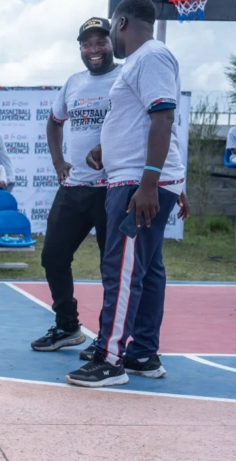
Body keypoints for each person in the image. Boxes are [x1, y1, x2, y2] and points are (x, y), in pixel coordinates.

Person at [66, 0, 189, 388]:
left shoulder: (150, 57)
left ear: (120, 22)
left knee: (122, 270)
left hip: (138, 184)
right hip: (140, 179)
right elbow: (143, 121)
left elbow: (163, 118)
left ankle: (110, 359)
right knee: (146, 270)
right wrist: (106, 147)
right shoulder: (143, 60)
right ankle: (143, 354)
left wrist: (151, 184)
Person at [31, 17, 121, 355]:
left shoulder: (125, 77)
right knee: (53, 255)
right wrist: (58, 162)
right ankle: (67, 326)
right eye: (87, 44)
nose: (94, 49)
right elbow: (54, 123)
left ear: (112, 43)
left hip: (113, 188)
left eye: (101, 42)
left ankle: (107, 338)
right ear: (80, 48)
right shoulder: (74, 82)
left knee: (111, 267)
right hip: (75, 186)